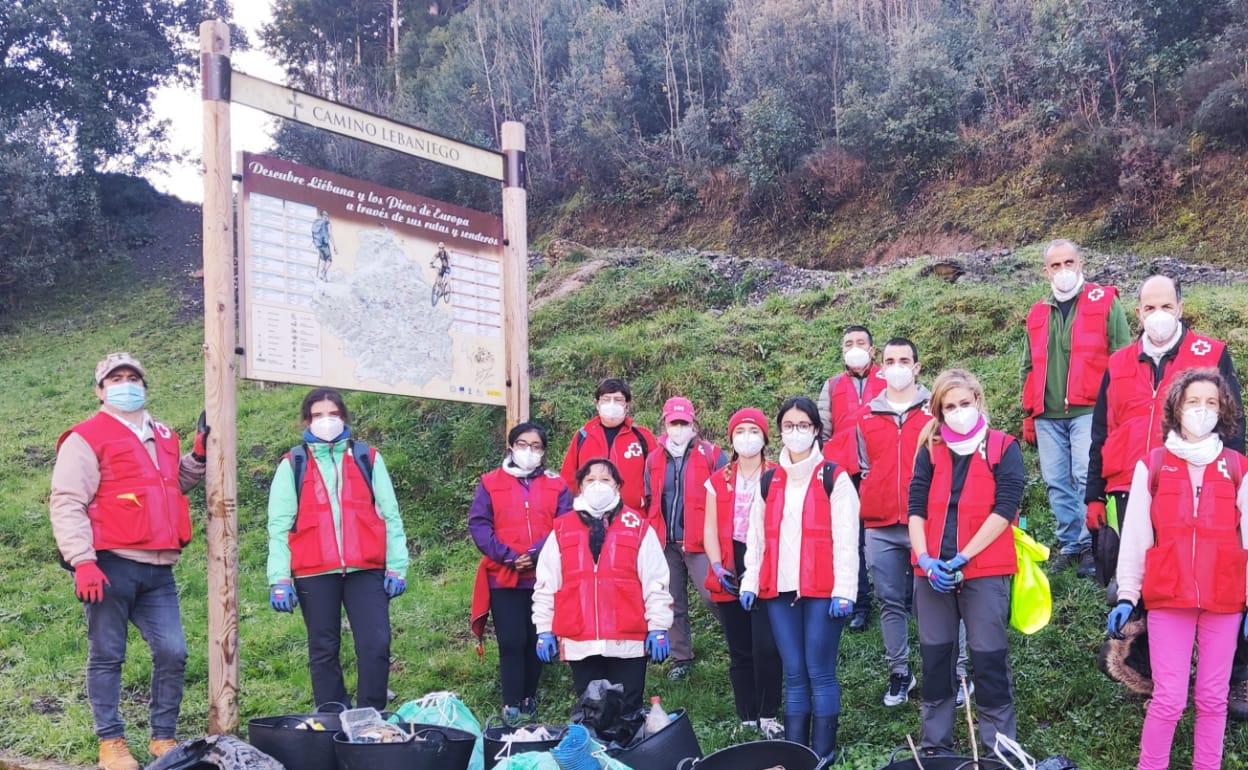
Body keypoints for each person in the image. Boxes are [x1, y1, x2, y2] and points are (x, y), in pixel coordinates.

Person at [49, 353, 208, 770]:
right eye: (115, 378)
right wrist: (82, 560)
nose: (125, 384)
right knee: (107, 654)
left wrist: (198, 456)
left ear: (145, 385)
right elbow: (67, 501)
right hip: (110, 564)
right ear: (99, 390)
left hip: (159, 568)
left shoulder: (164, 434)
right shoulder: (86, 437)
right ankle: (111, 743)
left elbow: (174, 484)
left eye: (132, 377)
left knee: (173, 651)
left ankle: (163, 738)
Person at [1107, 369, 1248, 770]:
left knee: (1213, 697)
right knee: (1169, 697)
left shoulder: (1237, 467)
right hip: (1169, 596)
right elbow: (1136, 535)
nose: (1201, 410)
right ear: (1176, 407)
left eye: (1210, 403)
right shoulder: (1152, 466)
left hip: (1224, 599)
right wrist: (1127, 594)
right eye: (1192, 402)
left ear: (1222, 411)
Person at [265, 388, 409, 712]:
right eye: (318, 415)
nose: (326, 420)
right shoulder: (293, 464)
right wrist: (279, 578)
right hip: (314, 572)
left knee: (376, 644)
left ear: (343, 417)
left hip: (366, 568)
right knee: (323, 647)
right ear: (307, 420)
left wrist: (397, 566)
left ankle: (371, 715)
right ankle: (332, 715)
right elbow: (279, 525)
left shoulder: (367, 458)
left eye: (333, 413)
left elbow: (390, 514)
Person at [908, 369, 1025, 756]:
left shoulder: (1003, 447)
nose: (958, 411)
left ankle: (998, 747)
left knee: (989, 658)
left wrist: (963, 556)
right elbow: (915, 509)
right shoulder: (929, 448)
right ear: (938, 411)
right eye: (949, 406)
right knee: (936, 659)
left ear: (978, 400)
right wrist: (925, 558)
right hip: (932, 575)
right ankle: (935, 746)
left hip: (984, 571)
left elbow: (1004, 509)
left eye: (964, 403)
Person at [740, 396, 860, 761]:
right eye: (789, 426)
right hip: (779, 590)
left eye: (803, 426)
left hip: (824, 590)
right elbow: (756, 536)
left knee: (819, 671)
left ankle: (823, 753)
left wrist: (846, 591)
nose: (796, 433)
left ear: (816, 430)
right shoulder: (769, 479)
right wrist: (750, 581)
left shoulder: (833, 477)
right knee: (793, 673)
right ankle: (795, 755)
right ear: (779, 432)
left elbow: (846, 537)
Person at [856, 338, 970, 708]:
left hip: (929, 522)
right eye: (890, 360)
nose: (897, 366)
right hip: (881, 524)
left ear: (917, 366)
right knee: (889, 600)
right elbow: (865, 467)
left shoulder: (935, 413)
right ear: (880, 366)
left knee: (943, 597)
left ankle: (959, 670)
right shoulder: (867, 416)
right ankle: (900, 671)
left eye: (905, 359)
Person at [1020, 239, 1132, 577]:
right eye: (1055, 265)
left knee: (1086, 476)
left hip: (1090, 410)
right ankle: (1069, 541)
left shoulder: (1104, 301)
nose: (1063, 270)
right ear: (1046, 271)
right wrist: (1028, 412)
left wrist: (1117, 410)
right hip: (1047, 414)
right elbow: (1028, 367)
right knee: (1056, 481)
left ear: (1080, 263)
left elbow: (1123, 356)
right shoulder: (1038, 311)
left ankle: (1090, 543)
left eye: (1069, 262)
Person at [532, 459, 674, 714]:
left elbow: (656, 582)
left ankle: (632, 753)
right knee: (592, 712)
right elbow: (546, 583)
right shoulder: (562, 529)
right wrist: (544, 629)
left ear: (618, 486)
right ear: (580, 487)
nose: (598, 485)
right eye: (590, 480)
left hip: (627, 641)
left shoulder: (638, 527)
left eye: (605, 479)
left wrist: (659, 627)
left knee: (627, 712)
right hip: (580, 640)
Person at [469, 422, 573, 723]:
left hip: (544, 574)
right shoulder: (490, 482)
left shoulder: (557, 484)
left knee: (535, 637)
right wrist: (509, 556)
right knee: (511, 640)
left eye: (537, 446)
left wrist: (538, 553)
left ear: (543, 451)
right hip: (504, 574)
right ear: (511, 447)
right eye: (523, 445)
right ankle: (511, 700)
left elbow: (564, 523)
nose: (530, 451)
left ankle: (530, 695)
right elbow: (479, 524)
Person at [702, 407, 784, 739]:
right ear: (731, 439)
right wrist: (716, 563)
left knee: (767, 645)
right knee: (739, 647)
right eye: (740, 431)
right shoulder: (718, 479)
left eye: (753, 431)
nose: (746, 437)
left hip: (765, 563)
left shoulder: (777, 474)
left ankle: (768, 713)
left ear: (764, 438)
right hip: (731, 561)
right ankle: (747, 715)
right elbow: (708, 528)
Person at [643, 396, 727, 680]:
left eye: (683, 423)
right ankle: (682, 658)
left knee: (713, 595)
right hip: (665, 542)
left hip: (700, 540)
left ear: (694, 424)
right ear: (664, 423)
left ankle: (741, 641)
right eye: (673, 422)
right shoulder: (654, 458)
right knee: (672, 601)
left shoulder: (713, 455)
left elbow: (724, 498)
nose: (678, 428)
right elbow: (650, 497)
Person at [818, 325, 884, 632]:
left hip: (883, 469)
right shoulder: (831, 386)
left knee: (894, 531)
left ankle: (906, 600)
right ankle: (860, 604)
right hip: (845, 472)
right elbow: (822, 431)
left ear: (872, 350)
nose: (854, 347)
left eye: (860, 342)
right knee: (851, 539)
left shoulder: (888, 378)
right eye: (848, 343)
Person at [559, 378, 657, 512]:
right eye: (606, 399)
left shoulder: (643, 437)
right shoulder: (583, 436)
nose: (612, 404)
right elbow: (568, 478)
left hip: (633, 518)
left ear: (627, 405)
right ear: (597, 404)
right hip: (589, 516)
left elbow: (657, 481)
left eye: (618, 400)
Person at [311, 210, 336, 281]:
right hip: (324, 244)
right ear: (325, 216)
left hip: (318, 244)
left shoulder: (316, 222)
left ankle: (321, 275)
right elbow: (330, 235)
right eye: (326, 216)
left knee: (323, 260)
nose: (327, 217)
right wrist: (334, 246)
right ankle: (323, 273)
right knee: (329, 260)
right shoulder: (327, 223)